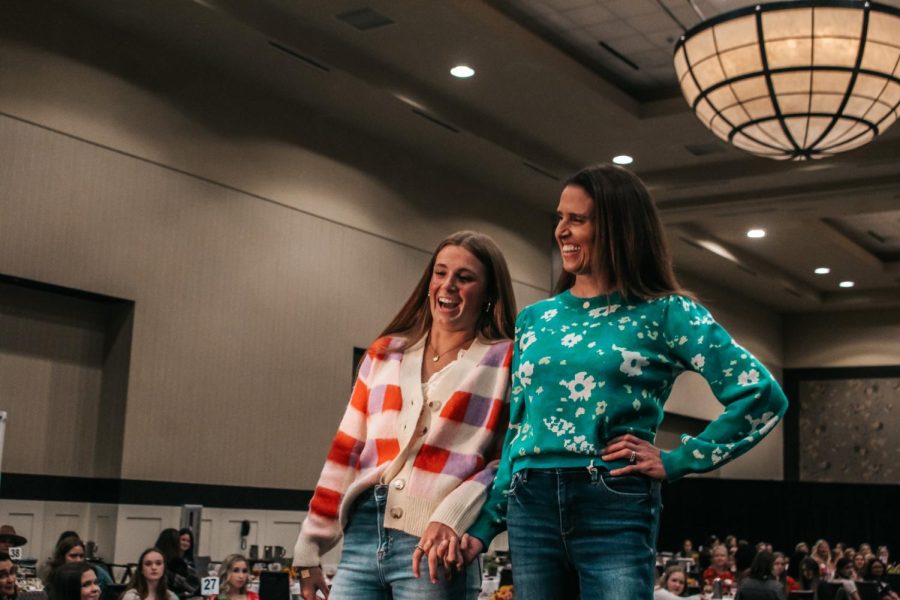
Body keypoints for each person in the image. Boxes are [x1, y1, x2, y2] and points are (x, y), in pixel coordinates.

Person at [462, 164, 789, 600]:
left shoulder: (667, 311)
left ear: (618, 227)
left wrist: (679, 460)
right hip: (530, 502)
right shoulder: (536, 320)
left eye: (577, 219)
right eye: (560, 217)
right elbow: (519, 431)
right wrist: (487, 523)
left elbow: (762, 395)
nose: (562, 230)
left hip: (612, 499)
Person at [291, 231, 517, 600]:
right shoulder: (385, 354)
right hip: (363, 535)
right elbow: (346, 451)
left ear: (488, 291)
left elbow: (506, 459)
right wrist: (308, 549)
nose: (448, 285)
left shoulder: (505, 360)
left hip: (436, 547)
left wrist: (454, 515)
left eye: (464, 277)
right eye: (440, 273)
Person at [40, 537, 113, 596]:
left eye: (81, 556)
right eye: (73, 556)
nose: (78, 560)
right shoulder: (54, 574)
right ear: (62, 557)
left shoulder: (94, 572)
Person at [153, 530, 197, 598]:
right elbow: (189, 587)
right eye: (181, 540)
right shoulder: (177, 563)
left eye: (188, 541)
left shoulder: (153, 557)